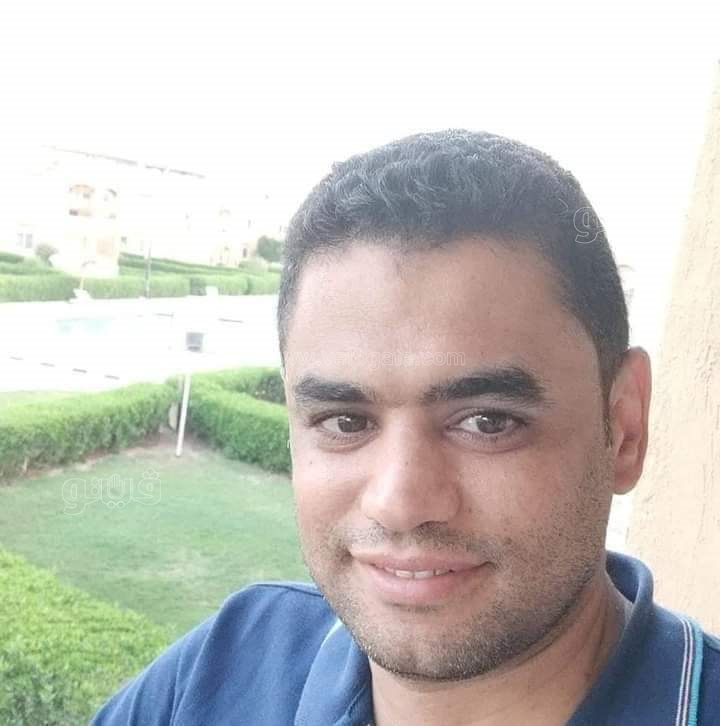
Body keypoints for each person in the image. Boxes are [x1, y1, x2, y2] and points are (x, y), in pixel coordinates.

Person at [92, 130, 719, 725]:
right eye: (345, 421)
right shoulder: (225, 667)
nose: (399, 503)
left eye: (487, 421)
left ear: (624, 428)